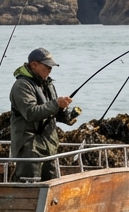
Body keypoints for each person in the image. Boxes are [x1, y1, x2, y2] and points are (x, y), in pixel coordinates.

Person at [9, 47, 79, 181]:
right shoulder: (22, 85)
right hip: (30, 148)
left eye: (51, 67)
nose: (50, 70)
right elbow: (31, 113)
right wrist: (56, 104)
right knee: (29, 189)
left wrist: (66, 114)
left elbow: (51, 111)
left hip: (49, 146)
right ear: (34, 65)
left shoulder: (48, 84)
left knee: (50, 186)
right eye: (47, 66)